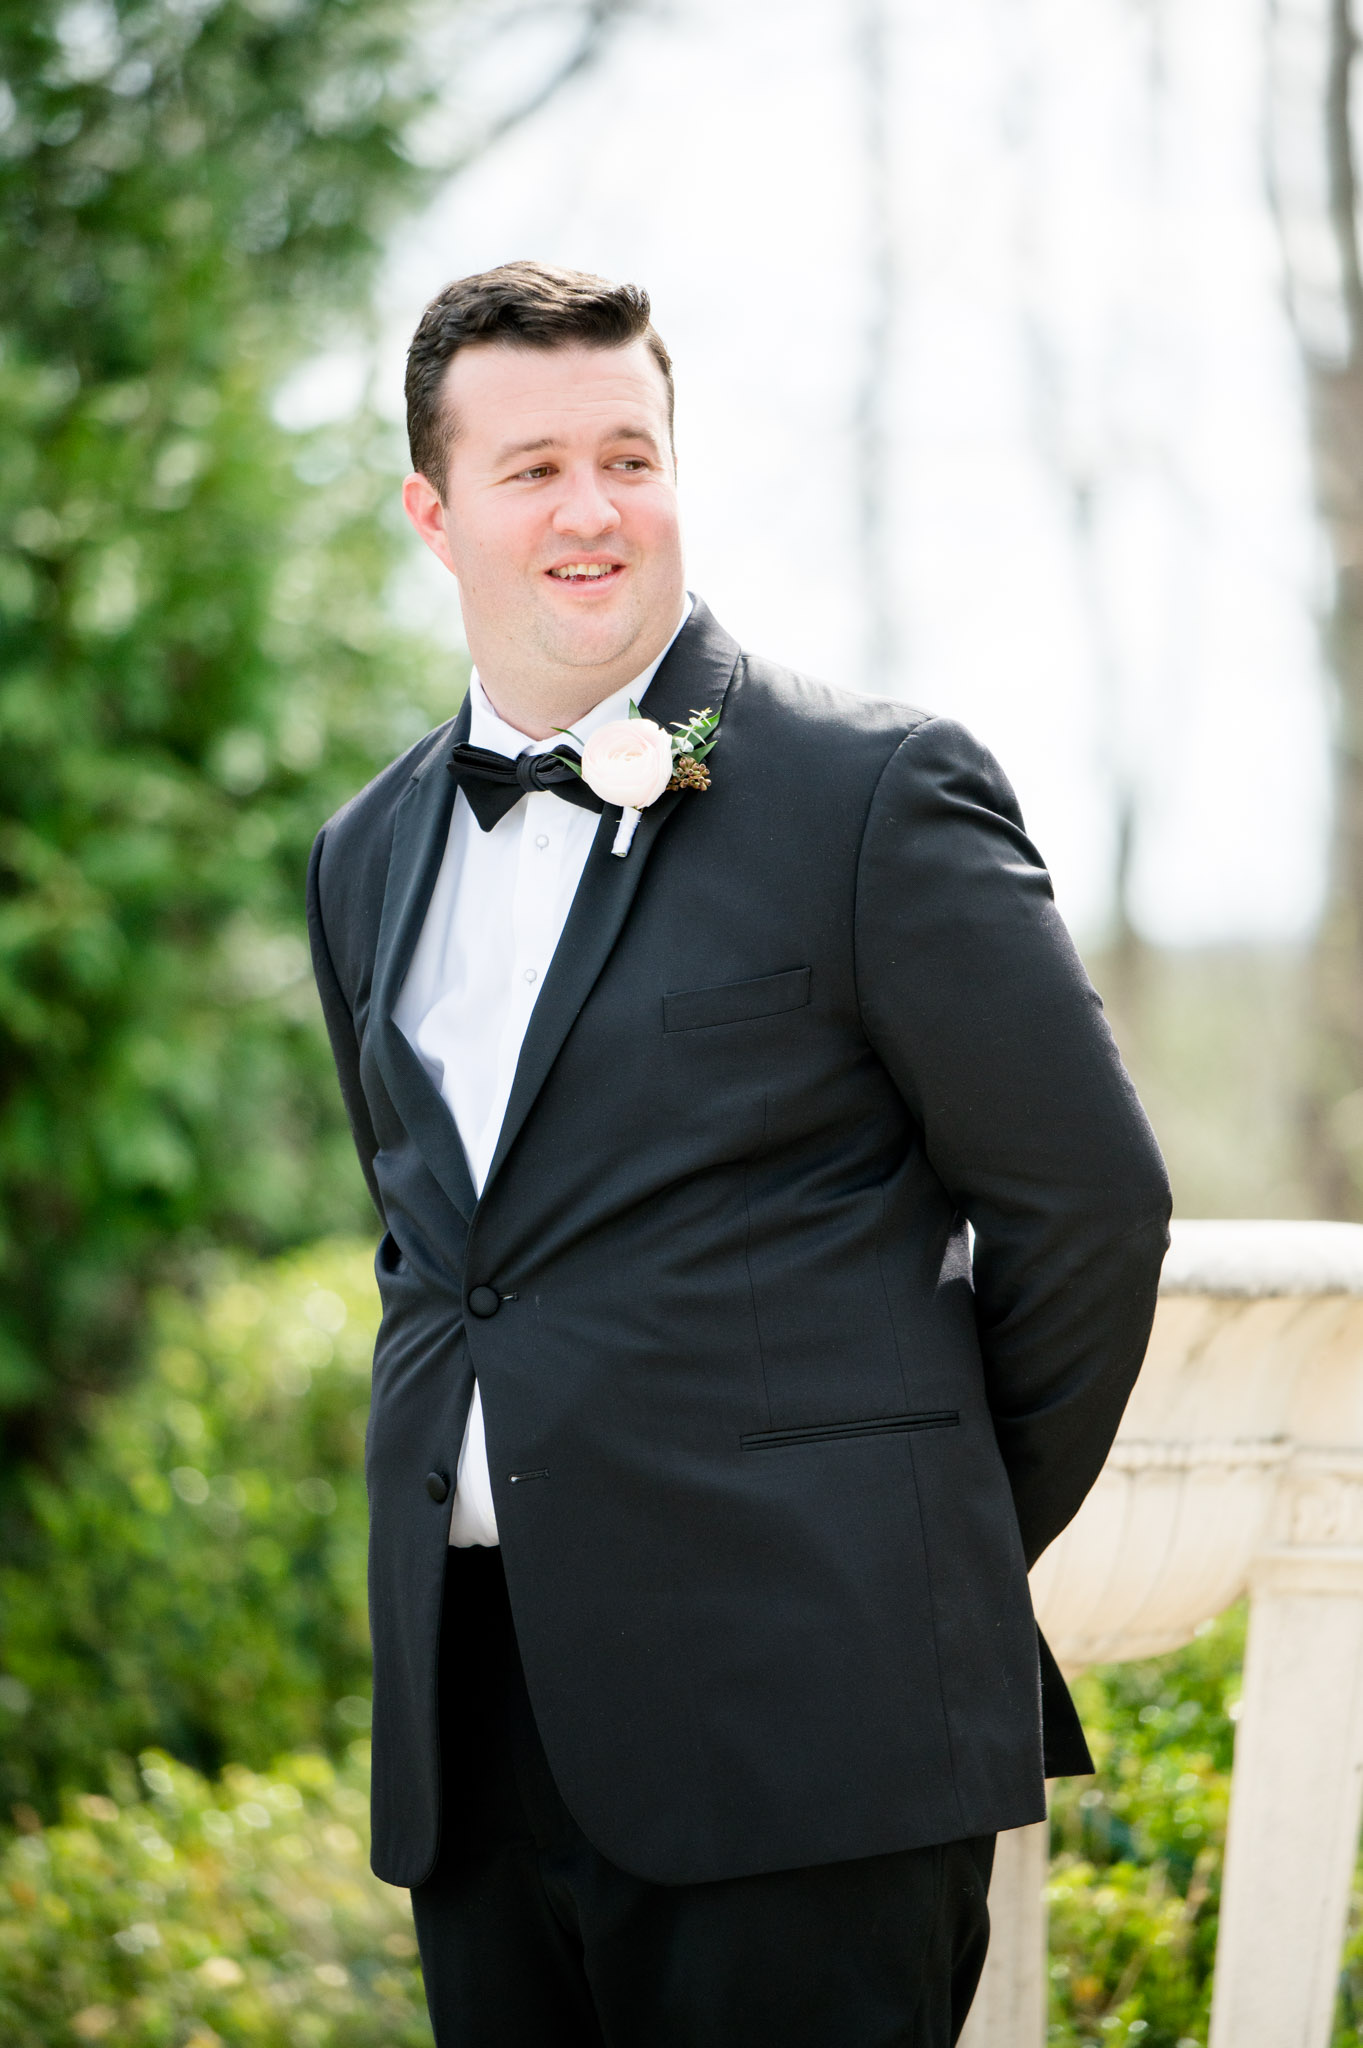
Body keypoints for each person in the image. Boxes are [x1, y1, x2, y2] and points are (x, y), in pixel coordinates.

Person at [306, 259, 1171, 2047]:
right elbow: (443, 1253)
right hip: (475, 1738)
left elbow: (1090, 1209)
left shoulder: (878, 793)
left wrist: (909, 1550)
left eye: (630, 454)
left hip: (811, 1733)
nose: (593, 508)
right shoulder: (365, 852)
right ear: (433, 512)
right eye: (533, 467)